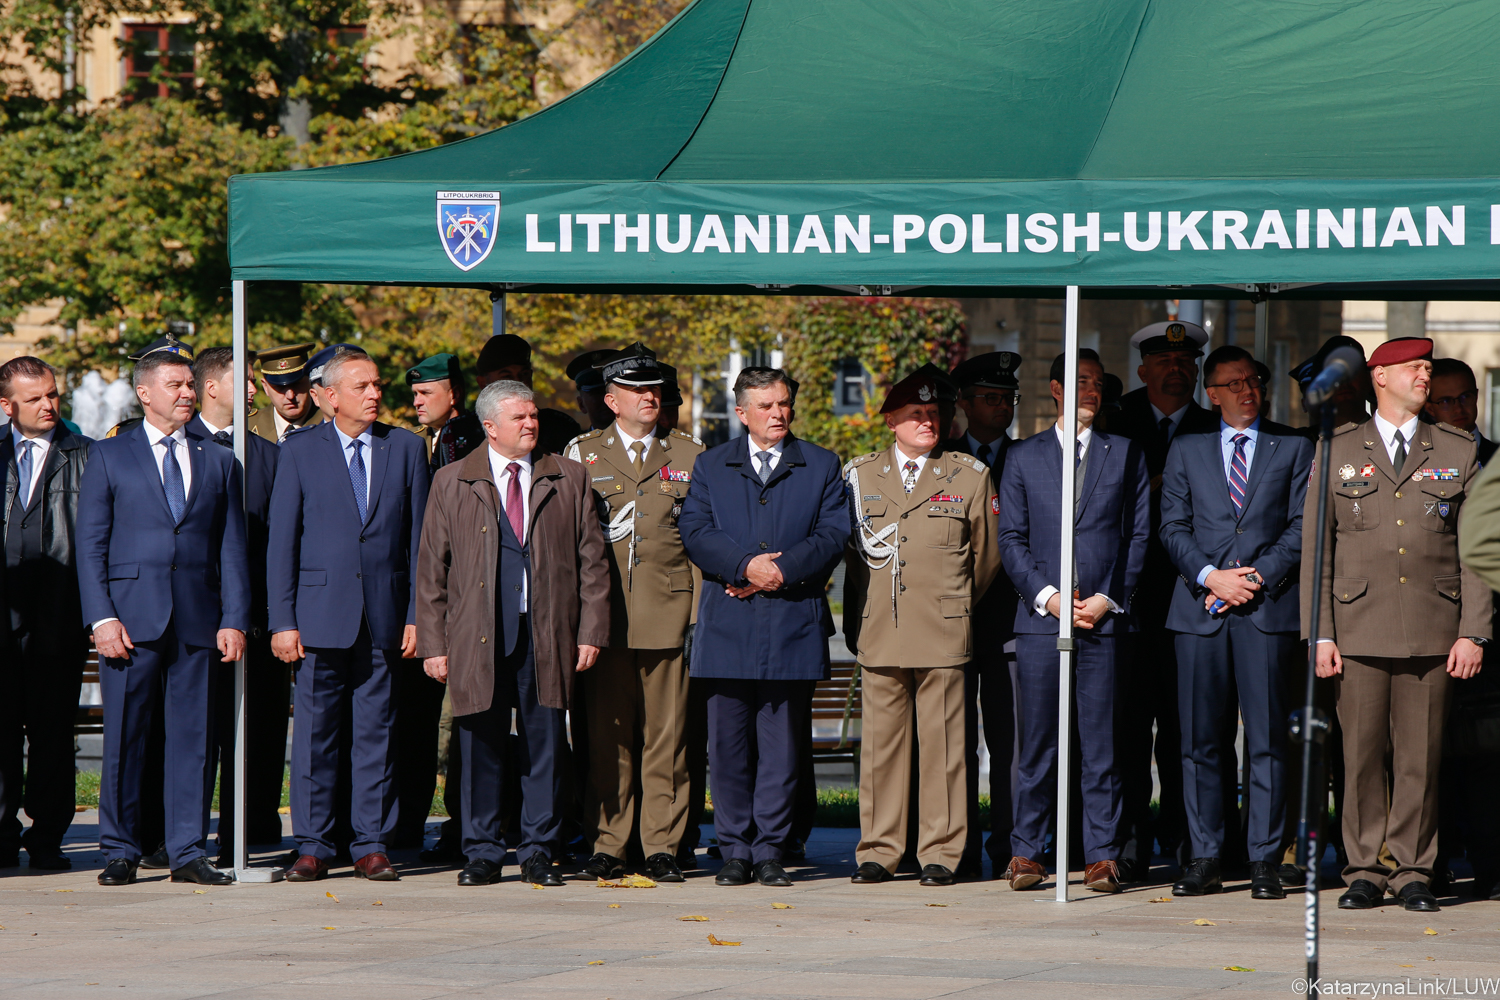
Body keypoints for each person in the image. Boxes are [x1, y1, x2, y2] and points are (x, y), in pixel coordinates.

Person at [1305, 337, 1488, 913]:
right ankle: (1363, 868)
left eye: (1428, 368)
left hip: (1436, 628)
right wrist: (1321, 633)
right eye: (1414, 368)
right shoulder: (1336, 449)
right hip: (1357, 626)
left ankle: (1413, 869)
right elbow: (1319, 551)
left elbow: (1479, 548)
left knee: (1420, 756)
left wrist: (1474, 630)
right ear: (1378, 376)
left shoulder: (1457, 450)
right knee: (1359, 756)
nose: (1425, 376)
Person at [416, 380, 610, 886]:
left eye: (533, 415)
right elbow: (431, 571)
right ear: (489, 426)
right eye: (519, 417)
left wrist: (590, 630)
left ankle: (539, 850)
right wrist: (434, 645)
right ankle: (480, 850)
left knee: (545, 743)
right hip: (476, 636)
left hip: (547, 633)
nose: (531, 424)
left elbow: (593, 564)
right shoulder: (453, 481)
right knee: (480, 742)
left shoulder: (568, 477)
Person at [78, 342, 250, 886]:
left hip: (199, 621)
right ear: (145, 393)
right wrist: (101, 618)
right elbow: (92, 546)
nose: (187, 393)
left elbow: (232, 548)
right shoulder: (109, 455)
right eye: (174, 385)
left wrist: (234, 617)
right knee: (127, 738)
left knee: (194, 740)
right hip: (130, 622)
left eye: (190, 384)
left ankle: (187, 850)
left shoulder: (219, 461)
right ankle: (120, 848)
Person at [678, 367, 849, 887]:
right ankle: (733, 848)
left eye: (784, 404)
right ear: (742, 413)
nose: (779, 414)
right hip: (728, 626)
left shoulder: (820, 464)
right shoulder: (711, 465)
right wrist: (745, 567)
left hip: (791, 621)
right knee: (727, 748)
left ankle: (771, 848)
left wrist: (781, 570)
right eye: (767, 406)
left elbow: (834, 532)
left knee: (780, 749)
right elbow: (695, 529)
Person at [268, 348, 430, 882]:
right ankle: (313, 844)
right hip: (318, 618)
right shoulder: (299, 451)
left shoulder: (405, 448)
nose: (376, 394)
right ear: (330, 397)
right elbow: (282, 543)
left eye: (378, 384)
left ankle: (371, 843)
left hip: (384, 618)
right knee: (315, 736)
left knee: (376, 734)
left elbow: (418, 546)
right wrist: (282, 620)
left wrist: (415, 615)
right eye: (363, 386)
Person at [1159, 345, 1313, 900]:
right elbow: (1172, 526)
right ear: (1212, 393)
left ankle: (1265, 860)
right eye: (1234, 383)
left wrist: (1254, 577)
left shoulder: (1294, 445)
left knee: (1269, 740)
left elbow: (1301, 526)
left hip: (1266, 611)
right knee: (1201, 742)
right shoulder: (1187, 448)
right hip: (1199, 613)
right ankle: (1205, 856)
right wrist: (1210, 577)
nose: (1248, 390)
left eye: (1254, 380)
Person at [996, 348, 1150, 893]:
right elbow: (1010, 539)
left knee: (1102, 746)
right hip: (1042, 622)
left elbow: (1137, 537)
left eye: (1098, 383)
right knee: (1036, 746)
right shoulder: (1023, 456)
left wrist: (1109, 597)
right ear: (1056, 389)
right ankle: (1027, 853)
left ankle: (1101, 856)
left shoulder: (1126, 454)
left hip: (1105, 622)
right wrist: (1050, 597)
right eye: (1080, 381)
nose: (1092, 391)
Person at [841, 370, 999, 886]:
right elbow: (851, 557)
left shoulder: (968, 474)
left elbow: (986, 557)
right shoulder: (860, 476)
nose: (928, 421)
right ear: (891, 421)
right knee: (881, 750)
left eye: (935, 414)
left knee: (947, 748)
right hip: (881, 628)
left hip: (943, 628)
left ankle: (942, 852)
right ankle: (880, 850)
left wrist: (951, 603)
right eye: (916, 414)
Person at [563, 343, 705, 883]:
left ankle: (662, 844)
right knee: (605, 737)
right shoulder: (581, 454)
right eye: (637, 390)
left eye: (656, 390)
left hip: (670, 612)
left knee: (668, 739)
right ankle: (608, 841)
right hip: (603, 619)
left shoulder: (690, 454)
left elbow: (700, 542)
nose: (651, 398)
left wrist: (697, 617)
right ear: (611, 399)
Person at [1105, 320, 1216, 881]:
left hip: (1193, 602)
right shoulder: (1114, 420)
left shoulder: (1214, 425)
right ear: (1143, 370)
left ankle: (1185, 841)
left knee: (1185, 734)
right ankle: (1125, 845)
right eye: (1164, 361)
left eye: (1185, 362)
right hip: (1125, 602)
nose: (1176, 369)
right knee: (1125, 733)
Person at [191, 347, 287, 862]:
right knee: (196, 735)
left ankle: (243, 836)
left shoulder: (269, 454)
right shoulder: (179, 448)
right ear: (211, 387)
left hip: (260, 620)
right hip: (195, 620)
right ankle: (180, 837)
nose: (254, 391)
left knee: (258, 733)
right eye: (243, 381)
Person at [0, 358, 91, 871]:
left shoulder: (85, 455)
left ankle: (48, 837)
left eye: (53, 394)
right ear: (7, 405)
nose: (49, 404)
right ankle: (0, 833)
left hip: (59, 615)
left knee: (54, 733)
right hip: (2, 619)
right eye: (35, 398)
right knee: (2, 730)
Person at [946, 351, 1021, 879]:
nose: (1003, 408)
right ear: (965, 405)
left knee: (1010, 739)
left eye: (1008, 399)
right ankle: (955, 845)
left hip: (1012, 620)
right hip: (946, 620)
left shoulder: (1033, 458)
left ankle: (1013, 843)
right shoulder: (937, 459)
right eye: (991, 398)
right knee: (951, 739)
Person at [409, 353, 485, 473]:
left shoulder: (484, 434)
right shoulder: (409, 441)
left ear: (455, 394)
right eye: (415, 394)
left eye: (426, 393)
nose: (416, 402)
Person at [1291, 336, 1370, 431]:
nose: (1344, 381)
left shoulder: (1386, 437)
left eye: (1353, 371)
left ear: (1368, 379)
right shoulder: (1304, 443)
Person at [1425, 358, 1495, 465]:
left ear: (1476, 397)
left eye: (1466, 397)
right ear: (1430, 409)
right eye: (1445, 401)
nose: (1458, 409)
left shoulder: (1496, 457)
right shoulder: (1419, 459)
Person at [249, 342, 323, 443]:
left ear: (309, 380)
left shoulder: (331, 422)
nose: (290, 395)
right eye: (280, 387)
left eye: (296, 384)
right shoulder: (247, 427)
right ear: (265, 387)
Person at [567, 349, 618, 432]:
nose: (606, 399)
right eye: (597, 393)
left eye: (611, 391)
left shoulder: (641, 443)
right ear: (581, 405)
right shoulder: (576, 444)